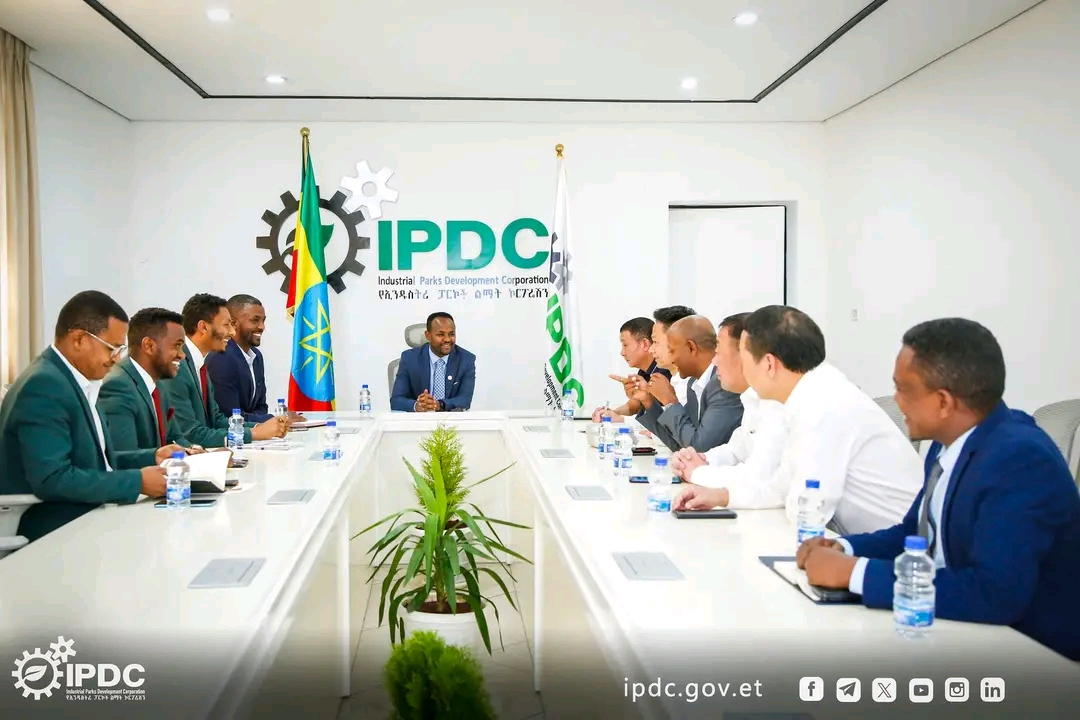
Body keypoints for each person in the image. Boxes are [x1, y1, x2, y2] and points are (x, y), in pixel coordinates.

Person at [797, 318, 1080, 661]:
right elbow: (913, 534)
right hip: (956, 630)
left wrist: (854, 573)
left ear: (944, 403)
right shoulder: (947, 443)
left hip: (1031, 656)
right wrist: (842, 547)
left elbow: (995, 594)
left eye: (903, 389)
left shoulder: (1020, 460)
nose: (896, 401)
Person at [673, 306, 921, 535]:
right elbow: (780, 485)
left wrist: (706, 477)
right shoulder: (808, 395)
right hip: (866, 540)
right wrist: (722, 496)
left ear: (768, 364)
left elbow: (802, 505)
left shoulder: (824, 404)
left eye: (745, 360)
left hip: (903, 552)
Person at [0, 291, 170, 542]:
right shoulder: (44, 385)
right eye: (111, 348)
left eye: (120, 349)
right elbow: (52, 479)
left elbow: (96, 461)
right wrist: (137, 482)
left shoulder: (78, 380)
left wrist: (153, 456)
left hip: (91, 514)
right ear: (79, 339)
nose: (116, 359)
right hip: (57, 529)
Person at [669, 313, 787, 504]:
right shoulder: (753, 399)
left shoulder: (779, 405)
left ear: (747, 357)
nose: (714, 362)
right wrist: (697, 459)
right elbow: (735, 451)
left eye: (719, 353)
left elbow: (759, 477)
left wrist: (699, 472)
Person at [161, 293, 287, 447]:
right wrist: (254, 433)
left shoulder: (198, 364)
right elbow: (191, 434)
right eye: (226, 325)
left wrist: (260, 427)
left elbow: (216, 420)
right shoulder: (178, 366)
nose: (232, 332)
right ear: (203, 327)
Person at [627, 315, 743, 453]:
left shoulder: (723, 386)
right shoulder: (693, 383)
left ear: (691, 348)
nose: (671, 357)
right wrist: (648, 401)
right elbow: (680, 443)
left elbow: (699, 449)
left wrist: (670, 401)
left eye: (672, 350)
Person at [99, 307, 202, 457]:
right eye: (177, 345)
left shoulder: (157, 383)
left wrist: (197, 453)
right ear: (149, 345)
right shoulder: (117, 386)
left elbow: (174, 437)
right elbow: (122, 457)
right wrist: (158, 456)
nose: (182, 355)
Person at [205, 294, 304, 423]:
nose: (262, 327)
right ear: (233, 324)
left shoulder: (257, 356)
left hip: (254, 432)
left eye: (263, 320)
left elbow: (261, 407)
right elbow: (231, 416)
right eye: (255, 320)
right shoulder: (221, 358)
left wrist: (269, 422)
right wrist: (276, 419)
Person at [390, 312, 476, 412]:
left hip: (451, 418)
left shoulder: (466, 359)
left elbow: (465, 400)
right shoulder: (409, 359)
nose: (447, 339)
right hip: (418, 419)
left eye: (451, 334)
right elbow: (396, 400)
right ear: (428, 335)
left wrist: (439, 405)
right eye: (440, 334)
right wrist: (417, 405)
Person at [590, 317, 670, 422]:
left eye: (625, 345)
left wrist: (621, 419)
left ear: (645, 344)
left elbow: (664, 420)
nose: (622, 353)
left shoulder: (665, 373)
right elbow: (634, 405)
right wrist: (611, 413)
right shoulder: (643, 372)